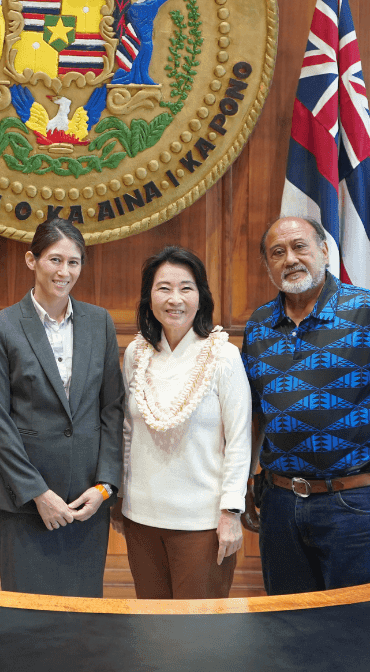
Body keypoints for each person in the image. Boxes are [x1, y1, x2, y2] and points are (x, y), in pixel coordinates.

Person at [241, 216, 370, 595]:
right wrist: (245, 483)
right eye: (277, 253)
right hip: (279, 504)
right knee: (287, 630)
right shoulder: (258, 327)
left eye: (301, 247)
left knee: (359, 629)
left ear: (325, 252)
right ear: (267, 267)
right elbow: (255, 414)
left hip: (358, 504)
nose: (290, 259)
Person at [0, 219, 124, 597]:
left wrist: (105, 486)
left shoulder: (100, 321)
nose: (65, 272)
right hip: (26, 504)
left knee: (84, 619)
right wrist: (38, 494)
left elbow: (112, 408)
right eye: (55, 260)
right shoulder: (0, 326)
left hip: (85, 503)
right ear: (32, 260)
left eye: (74, 262)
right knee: (28, 624)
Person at [110, 246, 251, 599]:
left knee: (196, 637)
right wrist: (120, 498)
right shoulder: (135, 353)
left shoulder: (224, 355)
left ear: (201, 296)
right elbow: (127, 432)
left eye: (186, 288)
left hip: (202, 523)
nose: (175, 299)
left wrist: (231, 513)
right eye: (164, 288)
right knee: (153, 629)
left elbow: (238, 439)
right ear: (149, 297)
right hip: (141, 516)